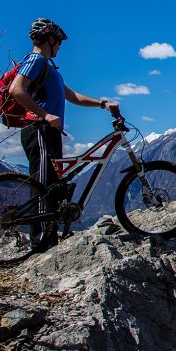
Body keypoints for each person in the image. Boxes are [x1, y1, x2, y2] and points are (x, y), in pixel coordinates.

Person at [9, 17, 119, 222]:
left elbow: (73, 96)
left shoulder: (50, 69)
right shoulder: (36, 60)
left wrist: (102, 104)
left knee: (51, 185)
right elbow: (16, 89)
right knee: (42, 185)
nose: (60, 46)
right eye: (59, 42)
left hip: (49, 132)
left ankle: (48, 236)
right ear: (50, 39)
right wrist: (45, 115)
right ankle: (38, 238)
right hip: (38, 129)